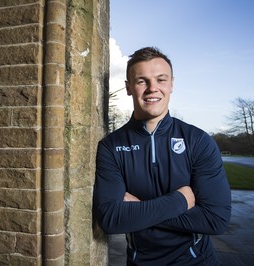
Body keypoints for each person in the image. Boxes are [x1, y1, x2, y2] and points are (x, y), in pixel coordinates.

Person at [93, 47, 231, 265]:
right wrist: (180, 200)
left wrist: (139, 208)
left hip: (197, 261)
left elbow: (215, 220)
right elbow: (111, 219)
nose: (152, 89)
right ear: (129, 88)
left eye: (161, 79)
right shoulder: (111, 146)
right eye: (141, 81)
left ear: (171, 84)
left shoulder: (198, 141)